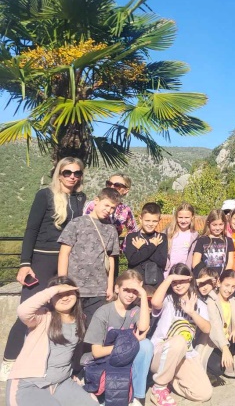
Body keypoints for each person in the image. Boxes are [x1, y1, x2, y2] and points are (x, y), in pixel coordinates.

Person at [3, 158, 87, 380]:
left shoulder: (80, 198)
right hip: (42, 259)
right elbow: (31, 229)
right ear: (59, 173)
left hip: (67, 261)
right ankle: (9, 360)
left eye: (77, 173)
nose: (72, 176)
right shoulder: (45, 195)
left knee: (60, 312)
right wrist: (25, 263)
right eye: (67, 172)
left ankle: (49, 361)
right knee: (29, 309)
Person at [5, 276, 95, 406]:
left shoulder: (81, 318)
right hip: (31, 383)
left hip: (61, 382)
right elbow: (23, 310)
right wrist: (52, 290)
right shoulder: (43, 317)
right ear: (50, 298)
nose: (65, 298)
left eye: (69, 293)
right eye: (59, 295)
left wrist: (73, 372)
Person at [84, 270, 152, 405]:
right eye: (126, 290)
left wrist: (143, 295)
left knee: (146, 345)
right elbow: (97, 352)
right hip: (104, 360)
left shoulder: (135, 310)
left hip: (124, 358)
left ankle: (137, 396)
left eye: (135, 291)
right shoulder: (103, 312)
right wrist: (128, 345)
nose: (131, 295)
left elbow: (143, 326)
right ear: (116, 288)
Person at [149, 264, 212, 405]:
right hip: (160, 353)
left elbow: (207, 329)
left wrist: (192, 313)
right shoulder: (168, 300)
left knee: (204, 393)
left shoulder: (199, 304)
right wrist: (169, 278)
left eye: (182, 281)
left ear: (189, 280)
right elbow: (155, 302)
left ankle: (169, 378)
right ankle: (159, 389)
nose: (178, 285)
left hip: (185, 355)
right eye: (174, 282)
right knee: (179, 341)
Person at [57, 187, 120, 324]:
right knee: (71, 328)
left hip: (99, 289)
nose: (108, 210)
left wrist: (110, 286)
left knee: (94, 329)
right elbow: (64, 254)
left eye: (112, 208)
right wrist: (63, 283)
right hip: (74, 287)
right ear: (96, 201)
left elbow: (111, 259)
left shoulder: (111, 230)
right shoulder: (76, 223)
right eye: (106, 205)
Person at [124, 203, 168, 289]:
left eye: (154, 221)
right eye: (147, 220)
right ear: (140, 219)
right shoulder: (132, 237)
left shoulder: (161, 237)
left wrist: (143, 247)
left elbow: (161, 262)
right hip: (135, 282)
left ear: (159, 220)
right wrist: (153, 246)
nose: (150, 224)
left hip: (156, 283)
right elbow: (133, 260)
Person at [85, 174, 137, 241]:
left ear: (126, 190)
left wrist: (125, 245)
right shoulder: (94, 205)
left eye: (117, 185)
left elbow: (133, 230)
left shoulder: (125, 210)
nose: (112, 187)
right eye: (109, 184)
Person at [192, 209, 234, 277]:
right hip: (205, 278)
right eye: (214, 225)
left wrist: (223, 277)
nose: (217, 228)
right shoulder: (201, 240)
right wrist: (206, 277)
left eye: (221, 224)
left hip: (222, 279)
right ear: (208, 223)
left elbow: (230, 263)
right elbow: (195, 263)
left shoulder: (228, 241)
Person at [165, 203, 199, 276]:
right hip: (167, 272)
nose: (183, 221)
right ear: (176, 217)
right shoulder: (169, 232)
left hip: (184, 272)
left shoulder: (194, 235)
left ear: (192, 217)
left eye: (187, 217)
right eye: (180, 217)